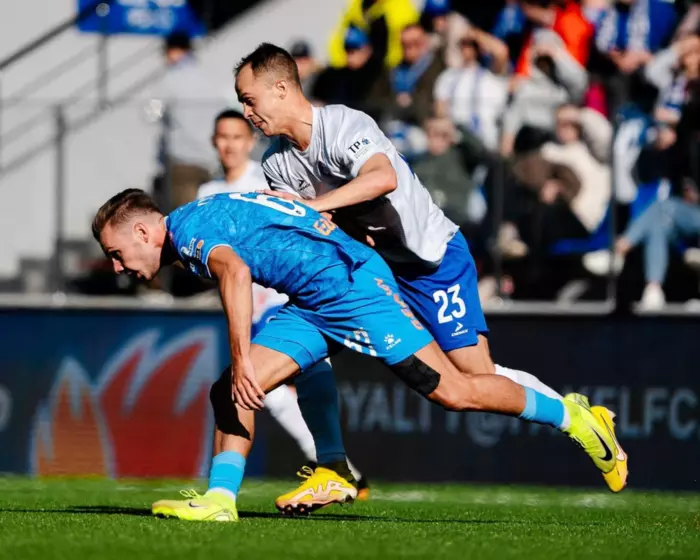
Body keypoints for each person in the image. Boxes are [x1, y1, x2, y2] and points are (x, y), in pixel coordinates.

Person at [236, 43, 626, 509]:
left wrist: (312, 208)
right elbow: (321, 226)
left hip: (432, 264)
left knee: (475, 378)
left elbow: (382, 178)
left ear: (281, 88)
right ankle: (332, 467)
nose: (247, 112)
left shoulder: (343, 124)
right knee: (310, 342)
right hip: (371, 269)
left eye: (250, 99)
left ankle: (576, 418)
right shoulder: (276, 162)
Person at [93, 189, 626, 523]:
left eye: (117, 253)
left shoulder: (188, 231)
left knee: (455, 392)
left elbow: (236, 271)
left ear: (143, 231)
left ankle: (574, 417)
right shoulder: (195, 218)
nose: (118, 267)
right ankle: (224, 500)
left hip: (352, 291)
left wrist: (243, 354)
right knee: (229, 389)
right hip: (314, 299)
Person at [198, 109, 369, 493]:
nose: (229, 145)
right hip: (248, 307)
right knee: (267, 389)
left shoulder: (264, 179)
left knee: (275, 383)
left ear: (250, 142)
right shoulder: (207, 194)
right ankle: (337, 467)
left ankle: (333, 464)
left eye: (237, 137)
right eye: (223, 137)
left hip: (283, 296)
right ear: (214, 142)